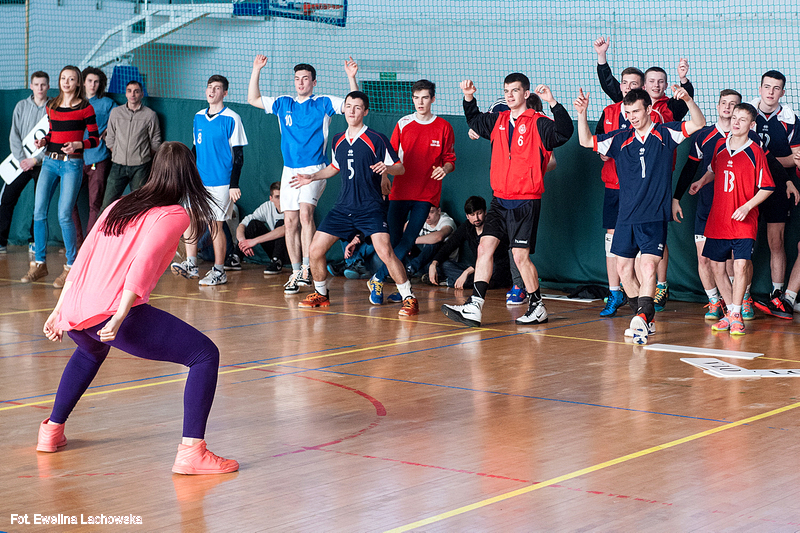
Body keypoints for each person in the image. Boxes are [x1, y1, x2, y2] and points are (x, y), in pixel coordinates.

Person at [38, 141, 238, 475]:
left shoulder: (119, 205)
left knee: (89, 352)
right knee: (204, 355)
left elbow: (82, 257)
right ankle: (192, 453)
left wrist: (60, 309)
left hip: (78, 309)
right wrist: (120, 315)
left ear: (155, 170)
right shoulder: (174, 214)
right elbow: (142, 265)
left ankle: (51, 431)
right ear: (189, 174)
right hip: (111, 311)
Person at [575, 86, 705, 344]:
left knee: (647, 266)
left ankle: (642, 319)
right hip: (625, 217)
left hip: (653, 216)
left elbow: (698, 123)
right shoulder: (620, 139)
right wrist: (581, 113)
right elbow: (585, 141)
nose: (631, 116)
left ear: (649, 109)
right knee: (624, 270)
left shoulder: (666, 133)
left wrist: (688, 100)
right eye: (628, 112)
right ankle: (644, 317)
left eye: (636, 111)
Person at [441, 74, 573, 327]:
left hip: (525, 201)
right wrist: (468, 97)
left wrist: (553, 102)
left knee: (520, 257)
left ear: (526, 94)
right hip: (499, 199)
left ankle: (537, 306)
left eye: (515, 90)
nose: (510, 95)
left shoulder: (538, 122)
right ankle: (475, 306)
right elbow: (475, 120)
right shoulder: (498, 120)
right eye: (506, 91)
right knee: (484, 248)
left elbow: (564, 132)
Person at [291, 91, 419, 316]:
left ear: (365, 111)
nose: (351, 111)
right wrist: (312, 177)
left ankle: (409, 298)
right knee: (315, 250)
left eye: (357, 107)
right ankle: (321, 294)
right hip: (343, 208)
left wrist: (387, 168)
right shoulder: (337, 139)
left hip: (370, 208)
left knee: (385, 252)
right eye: (348, 106)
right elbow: (335, 167)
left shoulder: (376, 139)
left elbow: (401, 168)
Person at [594, 37, 696, 310]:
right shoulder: (619, 112)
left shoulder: (666, 111)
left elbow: (691, 113)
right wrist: (602, 58)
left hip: (654, 187)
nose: (655, 85)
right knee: (617, 245)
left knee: (650, 250)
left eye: (660, 81)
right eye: (651, 81)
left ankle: (656, 290)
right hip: (618, 187)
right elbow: (595, 138)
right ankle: (620, 293)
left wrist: (684, 82)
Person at [247, 55, 359, 295]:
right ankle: (296, 272)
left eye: (305, 79)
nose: (300, 82)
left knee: (306, 214)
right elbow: (253, 99)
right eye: (297, 78)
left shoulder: (323, 103)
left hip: (314, 169)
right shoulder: (283, 103)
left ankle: (308, 268)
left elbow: (353, 104)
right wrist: (257, 69)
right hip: (289, 170)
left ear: (314, 82)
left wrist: (352, 77)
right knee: (290, 221)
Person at [673, 89, 766, 321]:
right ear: (718, 106)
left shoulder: (753, 144)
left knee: (738, 263)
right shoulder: (707, 137)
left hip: (738, 211)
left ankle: (740, 302)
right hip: (709, 210)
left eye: (733, 105)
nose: (728, 108)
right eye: (724, 103)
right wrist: (679, 195)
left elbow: (767, 174)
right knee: (707, 260)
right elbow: (696, 168)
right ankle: (717, 303)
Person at [365, 79, 456, 305]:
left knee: (409, 240)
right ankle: (402, 288)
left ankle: (378, 278)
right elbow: (389, 156)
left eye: (425, 97)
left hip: (426, 194)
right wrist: (384, 177)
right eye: (416, 98)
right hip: (399, 192)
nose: (420, 102)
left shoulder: (444, 126)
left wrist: (445, 169)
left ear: (433, 99)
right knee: (394, 242)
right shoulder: (403, 123)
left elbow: (450, 160)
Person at [688, 103, 774, 335]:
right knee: (717, 267)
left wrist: (747, 207)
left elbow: (767, 187)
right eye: (734, 117)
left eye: (742, 119)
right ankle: (730, 313)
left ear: (751, 125)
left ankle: (736, 313)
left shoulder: (755, 151)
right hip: (718, 218)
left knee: (741, 264)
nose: (736, 122)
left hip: (743, 220)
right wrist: (701, 181)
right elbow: (714, 170)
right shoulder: (719, 146)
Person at [24, 65, 100, 289]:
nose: (66, 82)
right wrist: (44, 141)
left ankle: (70, 266)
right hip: (49, 162)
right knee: (39, 212)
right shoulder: (52, 105)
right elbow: (52, 133)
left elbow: (95, 139)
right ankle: (40, 263)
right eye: (63, 78)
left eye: (71, 79)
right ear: (59, 81)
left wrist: (78, 144)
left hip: (72, 165)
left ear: (78, 83)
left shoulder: (86, 108)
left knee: (64, 214)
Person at [171, 75, 248, 286]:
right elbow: (195, 149)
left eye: (217, 88)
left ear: (225, 93)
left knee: (215, 226)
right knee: (189, 218)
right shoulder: (198, 117)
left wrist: (234, 184)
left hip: (222, 182)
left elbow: (239, 156)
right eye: (209, 87)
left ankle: (219, 271)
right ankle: (191, 264)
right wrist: (189, 177)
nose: (212, 91)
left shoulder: (232, 118)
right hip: (199, 181)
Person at [591, 47, 645, 317]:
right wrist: (601, 152)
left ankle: (642, 296)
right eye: (625, 83)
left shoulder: (646, 117)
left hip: (638, 191)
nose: (628, 88)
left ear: (641, 89)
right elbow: (598, 140)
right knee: (611, 241)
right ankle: (614, 293)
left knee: (639, 245)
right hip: (613, 187)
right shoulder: (609, 111)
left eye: (634, 84)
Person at [749, 70, 800, 313]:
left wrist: (766, 162)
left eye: (776, 88)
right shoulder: (746, 113)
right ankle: (739, 298)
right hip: (748, 185)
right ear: (760, 88)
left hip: (779, 186)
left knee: (775, 240)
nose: (770, 92)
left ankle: (778, 294)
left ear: (782, 92)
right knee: (741, 242)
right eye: (767, 87)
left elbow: (796, 159)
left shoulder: (789, 119)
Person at [1, 71, 49, 254]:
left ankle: (35, 241)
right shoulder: (21, 106)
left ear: (48, 86)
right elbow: (14, 135)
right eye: (36, 84)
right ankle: (1, 241)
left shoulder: (53, 107)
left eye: (43, 84)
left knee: (40, 203)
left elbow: (55, 138)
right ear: (31, 86)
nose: (40, 88)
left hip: (43, 164)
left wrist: (36, 159)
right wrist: (23, 160)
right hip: (20, 164)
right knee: (6, 199)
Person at [100, 80, 162, 211]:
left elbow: (155, 141)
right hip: (117, 166)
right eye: (129, 91)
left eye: (136, 91)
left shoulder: (150, 115)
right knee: (107, 205)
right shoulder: (116, 112)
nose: (133, 94)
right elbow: (110, 137)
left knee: (140, 206)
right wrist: (117, 153)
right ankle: (102, 225)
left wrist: (142, 156)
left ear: (142, 94)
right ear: (126, 94)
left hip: (140, 167)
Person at [427, 196, 511, 289]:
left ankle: (448, 281)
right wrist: (434, 263)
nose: (476, 218)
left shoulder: (493, 227)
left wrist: (467, 272)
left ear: (485, 212)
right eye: (472, 215)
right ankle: (469, 281)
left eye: (479, 213)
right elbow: (449, 245)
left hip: (494, 268)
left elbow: (496, 259)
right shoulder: (467, 227)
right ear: (467, 216)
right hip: (475, 268)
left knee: (492, 270)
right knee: (444, 265)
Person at [72, 67, 115, 242]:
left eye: (96, 82)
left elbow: (119, 117)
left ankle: (89, 244)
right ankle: (76, 242)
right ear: (83, 82)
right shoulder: (74, 101)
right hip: (75, 159)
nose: (93, 85)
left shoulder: (107, 103)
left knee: (95, 204)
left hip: (98, 157)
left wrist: (107, 131)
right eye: (89, 81)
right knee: (69, 202)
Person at [236, 181, 289, 274]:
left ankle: (277, 261)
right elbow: (242, 224)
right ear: (271, 198)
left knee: (281, 223)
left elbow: (284, 230)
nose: (281, 200)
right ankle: (235, 257)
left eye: (284, 196)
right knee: (253, 224)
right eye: (277, 197)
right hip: (274, 250)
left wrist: (254, 241)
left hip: (291, 252)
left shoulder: (293, 208)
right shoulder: (267, 206)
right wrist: (243, 242)